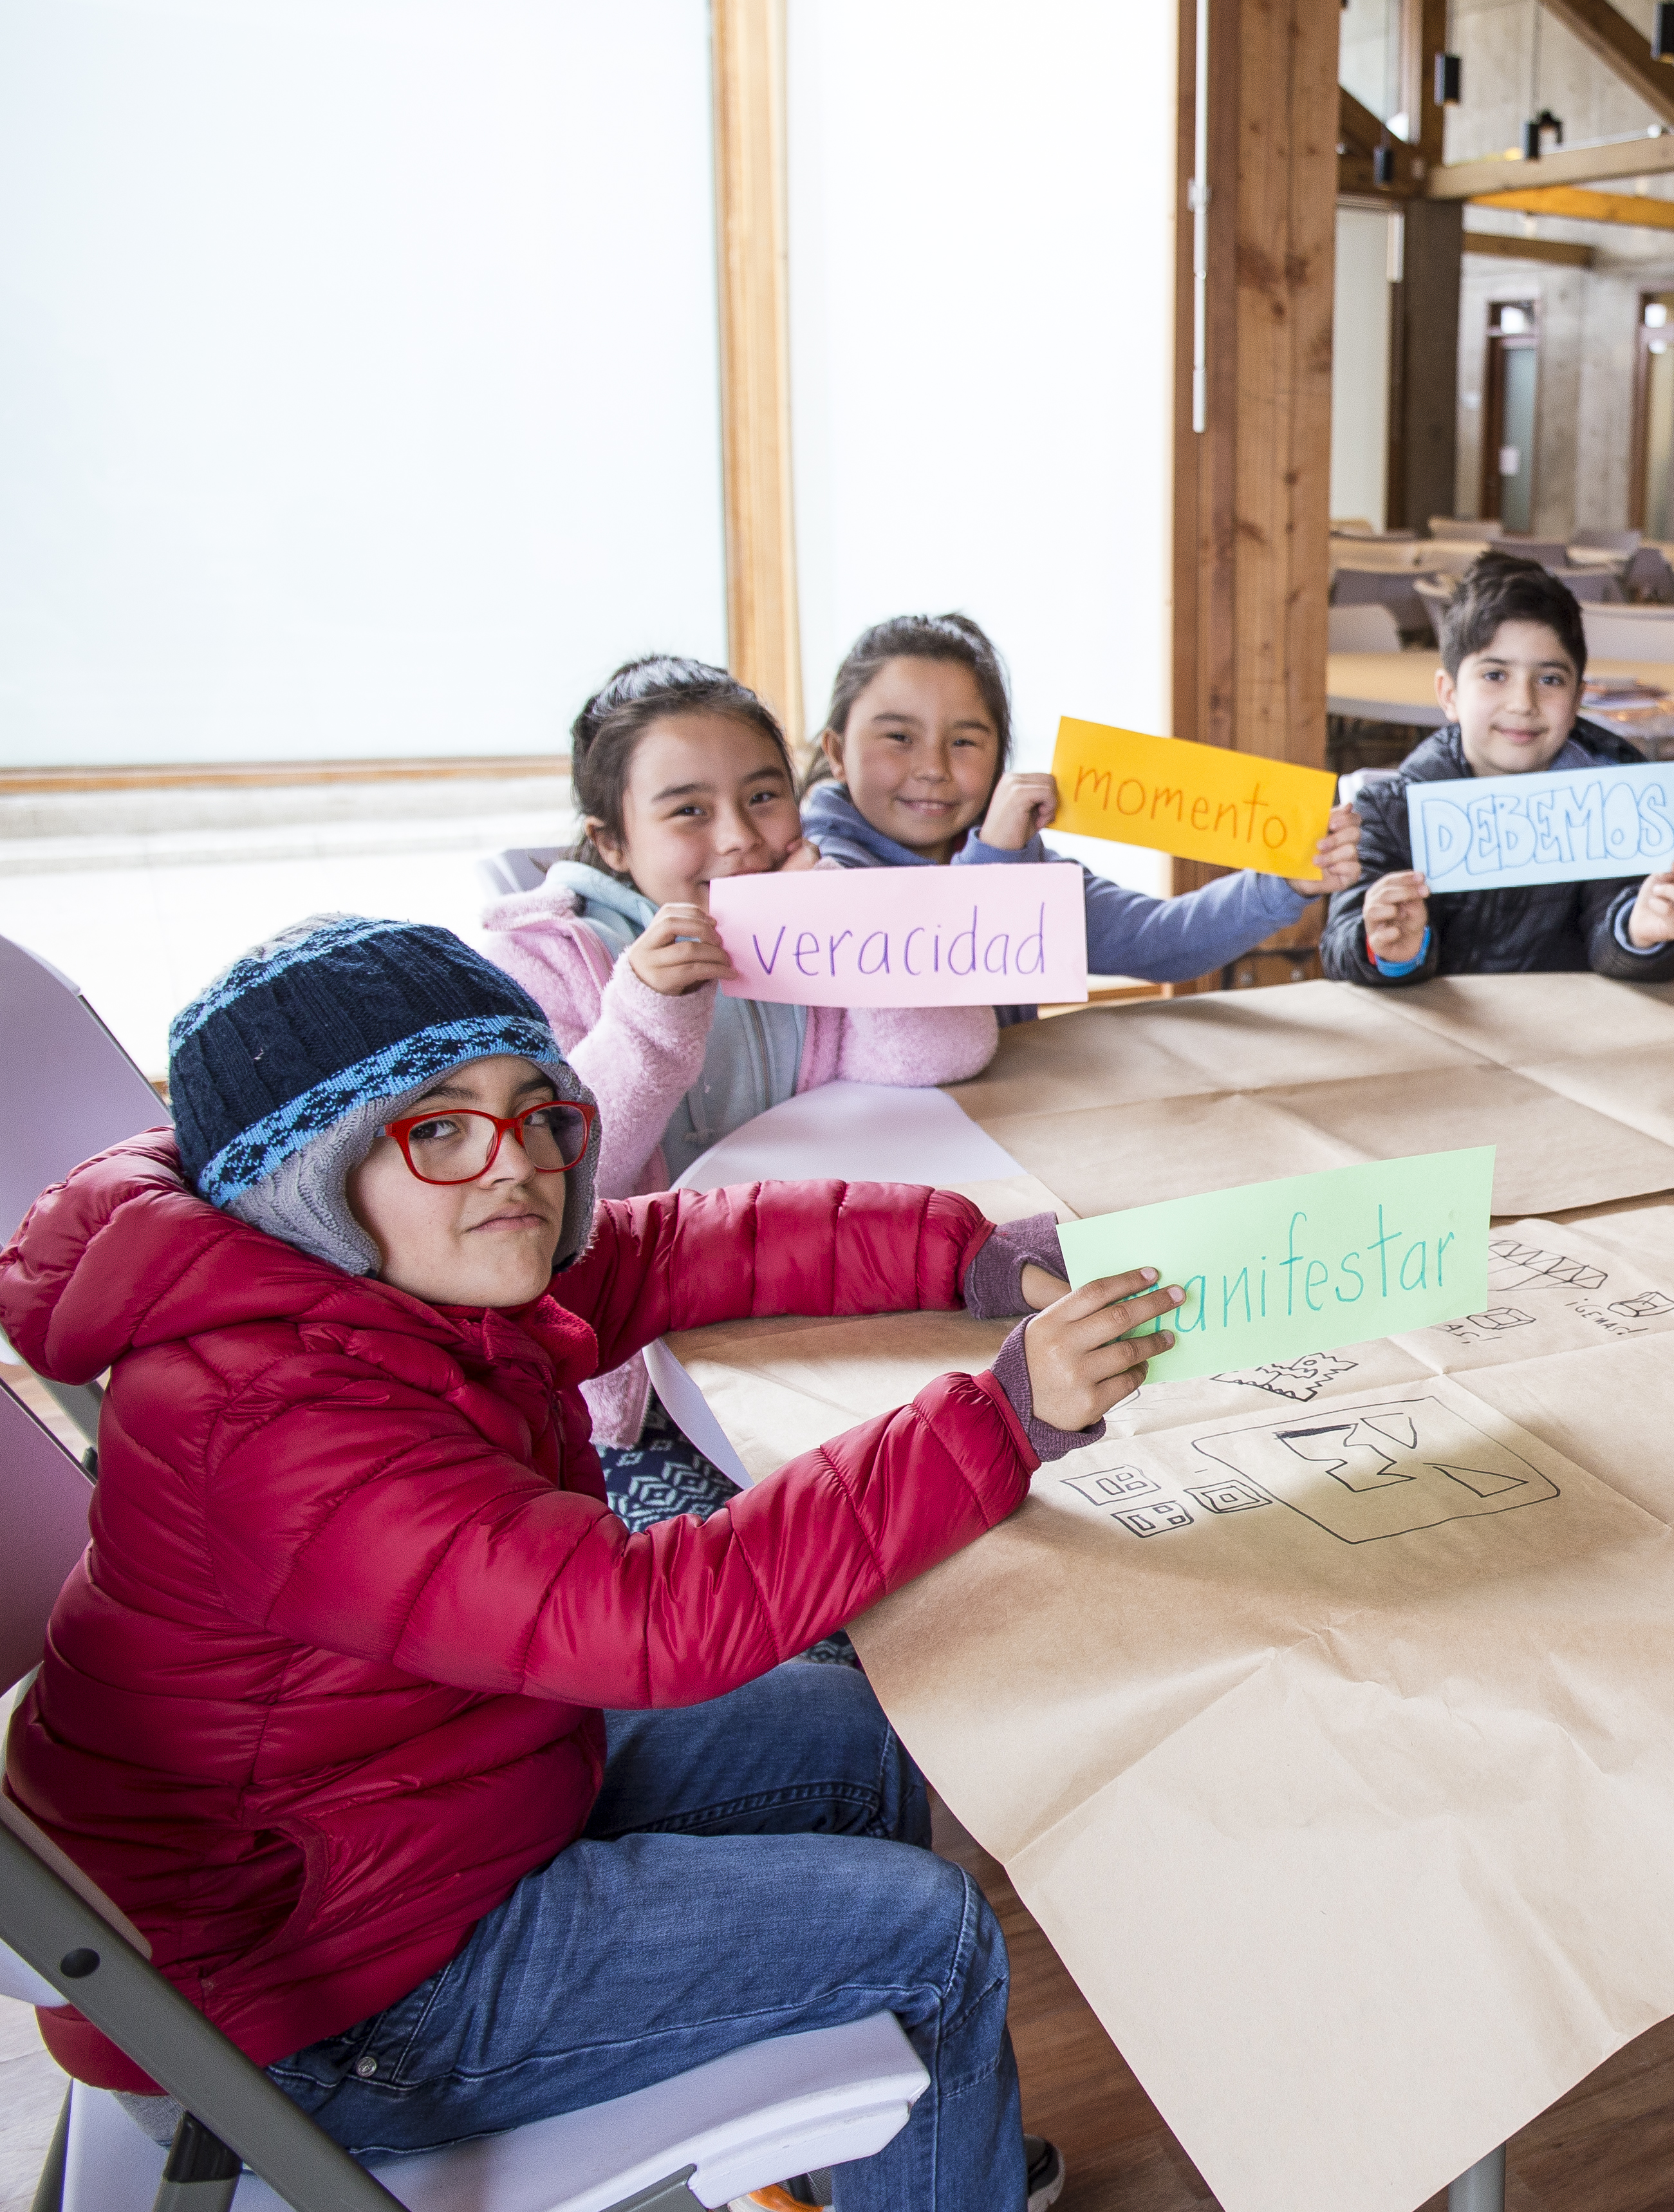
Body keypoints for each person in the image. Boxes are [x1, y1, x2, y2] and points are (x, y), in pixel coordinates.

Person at [0, 917, 1184, 2212]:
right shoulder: (279, 1433)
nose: (514, 1166)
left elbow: (676, 1247)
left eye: (534, 1114)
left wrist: (960, 1250)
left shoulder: (401, 1278)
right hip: (319, 1996)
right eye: (436, 1130)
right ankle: (934, 2161)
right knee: (935, 1938)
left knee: (870, 1729)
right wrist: (1000, 1419)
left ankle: (894, 2148)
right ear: (304, 1180)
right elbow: (656, 1625)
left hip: (406, 1811)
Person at [478, 656, 1000, 1446]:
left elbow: (948, 1050)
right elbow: (558, 1180)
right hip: (645, 1373)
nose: (741, 839)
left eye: (763, 797)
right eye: (689, 811)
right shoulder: (546, 958)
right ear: (612, 842)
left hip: (818, 1296)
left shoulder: (804, 919)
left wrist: (846, 936)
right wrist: (650, 1012)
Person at [801, 610, 1363, 1005]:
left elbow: (1157, 940)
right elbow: (934, 985)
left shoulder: (1018, 859)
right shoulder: (811, 873)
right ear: (837, 754)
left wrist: (1282, 882)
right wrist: (995, 858)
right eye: (898, 737)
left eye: (965, 742)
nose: (934, 768)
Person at [1323, 554, 1674, 984]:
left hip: (1572, 1038)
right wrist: (1389, 949)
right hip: (1435, 1039)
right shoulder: (1388, 810)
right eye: (1495, 675)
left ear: (1577, 699)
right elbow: (1341, 944)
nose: (1523, 703)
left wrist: (1641, 934)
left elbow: (1615, 938)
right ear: (1450, 694)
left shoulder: (1615, 804)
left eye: (1550, 680)